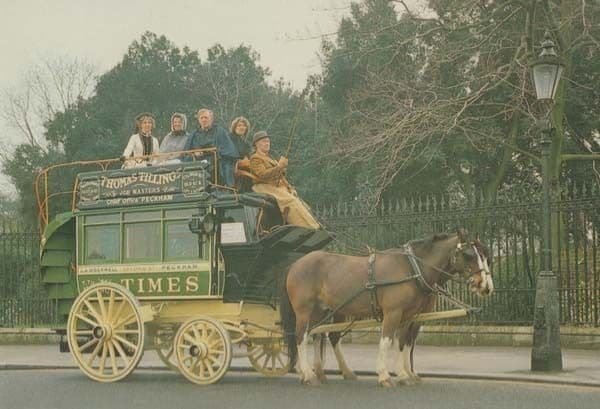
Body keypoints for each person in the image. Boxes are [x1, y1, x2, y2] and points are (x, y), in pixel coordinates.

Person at [249, 131, 320, 229]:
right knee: (290, 201)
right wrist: (279, 167)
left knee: (300, 202)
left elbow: (280, 177)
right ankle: (306, 228)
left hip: (276, 186)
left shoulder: (270, 158)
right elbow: (262, 175)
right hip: (263, 186)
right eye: (264, 141)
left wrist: (289, 187)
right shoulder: (255, 158)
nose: (267, 144)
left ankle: (315, 226)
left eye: (268, 141)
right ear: (256, 144)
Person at [184, 108, 239, 187]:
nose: (204, 120)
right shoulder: (194, 134)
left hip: (215, 159)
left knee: (223, 164)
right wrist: (194, 153)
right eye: (201, 118)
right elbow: (187, 151)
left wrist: (213, 152)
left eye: (206, 117)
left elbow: (228, 150)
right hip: (197, 160)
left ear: (211, 119)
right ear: (199, 120)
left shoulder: (220, 131)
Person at [229, 116, 253, 192]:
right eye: (239, 125)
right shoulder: (229, 138)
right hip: (233, 167)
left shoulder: (246, 143)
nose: (242, 127)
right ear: (234, 127)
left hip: (245, 166)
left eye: (244, 126)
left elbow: (249, 156)